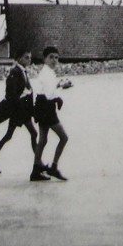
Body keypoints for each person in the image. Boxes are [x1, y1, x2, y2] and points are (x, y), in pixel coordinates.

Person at [0, 49, 38, 174]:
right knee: (33, 134)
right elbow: (11, 94)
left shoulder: (22, 71)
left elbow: (26, 91)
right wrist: (23, 109)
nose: (29, 60)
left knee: (8, 136)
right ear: (18, 58)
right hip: (20, 110)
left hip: (21, 109)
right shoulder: (15, 72)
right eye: (26, 57)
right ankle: (38, 163)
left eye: (29, 57)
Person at [31, 46, 70, 181]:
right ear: (45, 59)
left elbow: (48, 90)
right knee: (64, 137)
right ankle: (53, 167)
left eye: (56, 57)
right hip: (46, 108)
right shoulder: (47, 73)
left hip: (42, 107)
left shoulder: (47, 72)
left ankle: (36, 169)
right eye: (51, 57)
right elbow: (49, 95)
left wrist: (59, 86)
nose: (54, 60)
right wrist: (59, 95)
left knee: (43, 140)